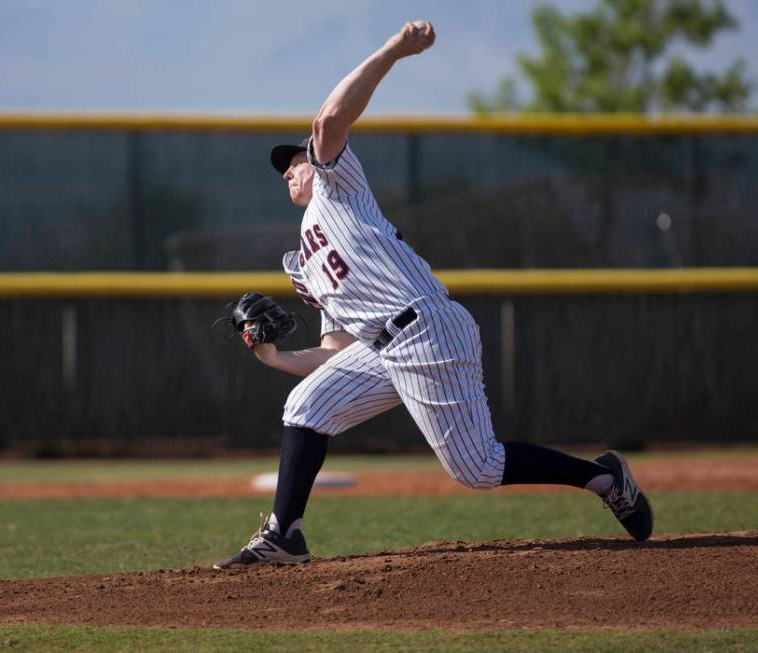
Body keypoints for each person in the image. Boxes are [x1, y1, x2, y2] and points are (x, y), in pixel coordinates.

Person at [213, 21, 652, 570]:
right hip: (380, 347)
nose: (289, 172)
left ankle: (605, 478)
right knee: (306, 405)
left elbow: (328, 119)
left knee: (479, 468)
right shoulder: (306, 266)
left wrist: (396, 50)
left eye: (294, 161)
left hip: (425, 329)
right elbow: (333, 352)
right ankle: (285, 534)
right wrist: (271, 357)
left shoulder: (336, 187)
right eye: (285, 169)